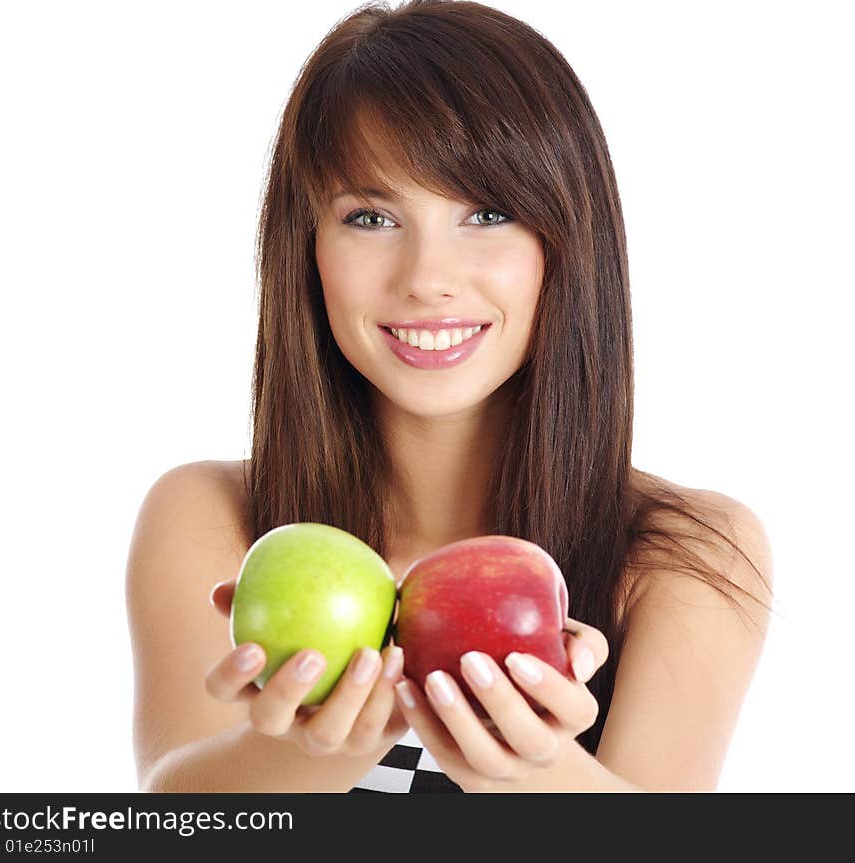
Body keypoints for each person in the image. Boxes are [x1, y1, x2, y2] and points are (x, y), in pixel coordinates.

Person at [125, 0, 774, 793]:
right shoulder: (211, 514)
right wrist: (305, 747)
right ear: (306, 250)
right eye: (369, 216)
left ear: (566, 242)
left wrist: (530, 765)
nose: (427, 277)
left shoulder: (690, 554)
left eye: (487, 213)